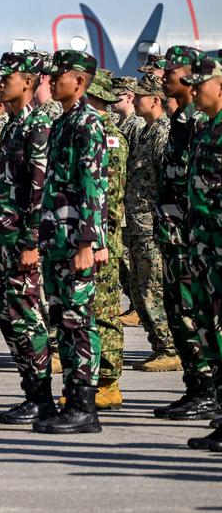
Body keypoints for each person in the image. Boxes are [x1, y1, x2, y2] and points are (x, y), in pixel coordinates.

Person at [33, 49, 108, 435]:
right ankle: (69, 402)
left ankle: (85, 407)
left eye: (56, 75)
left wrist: (88, 244)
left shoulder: (88, 124)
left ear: (78, 80)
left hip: (76, 241)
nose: (48, 81)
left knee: (80, 323)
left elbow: (94, 188)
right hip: (57, 240)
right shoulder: (64, 122)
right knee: (63, 322)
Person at [0, 51, 57, 424]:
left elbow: (39, 189)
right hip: (4, 238)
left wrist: (31, 242)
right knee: (8, 316)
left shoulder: (38, 126)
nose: (0, 83)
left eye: (7, 77)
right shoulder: (12, 124)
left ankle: (42, 397)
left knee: (27, 316)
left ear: (28, 82)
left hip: (21, 241)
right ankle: (31, 392)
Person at [153, 46, 218, 421]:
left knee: (198, 315)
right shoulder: (180, 120)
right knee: (179, 312)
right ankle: (195, 385)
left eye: (170, 69)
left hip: (195, 237)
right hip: (174, 233)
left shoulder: (200, 120)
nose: (163, 75)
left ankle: (209, 388)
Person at [181, 53, 222, 452]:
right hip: (205, 250)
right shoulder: (206, 129)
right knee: (211, 336)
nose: (193, 90)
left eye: (200, 84)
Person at [124, 74, 178, 371]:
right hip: (137, 224)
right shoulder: (145, 132)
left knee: (152, 288)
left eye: (140, 95)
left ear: (155, 100)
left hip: (152, 227)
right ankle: (159, 344)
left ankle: (169, 348)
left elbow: (166, 185)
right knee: (138, 288)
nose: (134, 99)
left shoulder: (162, 133)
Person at [84, 70, 127, 411]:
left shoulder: (108, 136)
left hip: (104, 237)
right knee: (89, 310)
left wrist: (99, 241)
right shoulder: (89, 129)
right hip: (91, 234)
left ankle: (109, 382)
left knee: (105, 310)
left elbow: (109, 196)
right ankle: (93, 378)